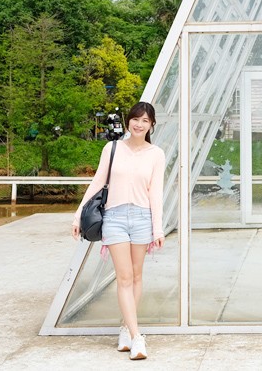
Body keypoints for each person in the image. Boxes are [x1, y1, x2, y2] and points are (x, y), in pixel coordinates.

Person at [72, 101, 165, 361]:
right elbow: (97, 182)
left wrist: (157, 228)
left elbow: (155, 194)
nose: (139, 124)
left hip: (142, 218)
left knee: (136, 276)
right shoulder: (112, 149)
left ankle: (126, 329)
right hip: (114, 218)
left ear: (151, 125)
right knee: (124, 277)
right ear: (128, 122)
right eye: (136, 119)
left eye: (145, 120)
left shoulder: (156, 154)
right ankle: (137, 337)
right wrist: (78, 214)